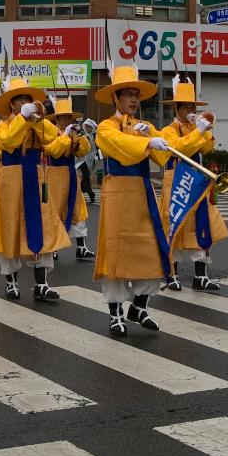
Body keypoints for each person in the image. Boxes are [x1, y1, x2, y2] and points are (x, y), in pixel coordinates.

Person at [93, 65, 172, 336]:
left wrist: (199, 131)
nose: (134, 100)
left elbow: (167, 151)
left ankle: (139, 306)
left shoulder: (145, 126)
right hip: (117, 193)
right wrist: (146, 142)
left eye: (136, 95)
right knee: (116, 255)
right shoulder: (106, 126)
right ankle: (115, 314)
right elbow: (119, 147)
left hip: (142, 193)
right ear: (116, 98)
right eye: (128, 94)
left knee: (151, 250)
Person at [0, 77, 71, 300]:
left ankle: (42, 283)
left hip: (36, 177)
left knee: (43, 227)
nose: (23, 103)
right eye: (18, 99)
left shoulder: (36, 122)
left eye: (26, 99)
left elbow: (53, 141)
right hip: (9, 180)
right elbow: (6, 143)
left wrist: (38, 121)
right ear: (11, 104)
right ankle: (11, 281)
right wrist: (22, 119)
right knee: (8, 229)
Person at [159, 76, 228, 291]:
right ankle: (172, 274)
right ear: (176, 109)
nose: (190, 110)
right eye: (186, 106)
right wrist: (198, 131)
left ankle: (201, 276)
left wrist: (205, 128)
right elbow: (180, 149)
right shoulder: (168, 130)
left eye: (192, 106)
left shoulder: (195, 127)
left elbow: (207, 149)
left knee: (202, 225)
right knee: (175, 225)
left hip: (198, 180)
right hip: (177, 180)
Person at [44, 98, 95, 261]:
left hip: (71, 173)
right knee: (55, 209)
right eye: (64, 116)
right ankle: (52, 246)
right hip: (55, 174)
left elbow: (84, 151)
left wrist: (79, 136)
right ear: (57, 118)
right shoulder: (50, 131)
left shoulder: (73, 131)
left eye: (69, 117)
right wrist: (65, 136)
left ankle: (81, 246)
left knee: (78, 209)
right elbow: (53, 151)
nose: (68, 120)